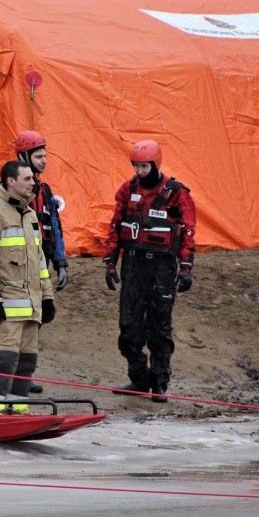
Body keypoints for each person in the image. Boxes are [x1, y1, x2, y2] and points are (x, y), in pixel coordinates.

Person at [103, 139, 196, 403]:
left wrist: (186, 268)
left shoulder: (176, 192)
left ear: (155, 164)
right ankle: (139, 379)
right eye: (136, 166)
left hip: (162, 267)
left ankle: (160, 383)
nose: (140, 171)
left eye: (144, 166)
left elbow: (188, 230)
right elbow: (116, 225)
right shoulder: (127, 189)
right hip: (133, 264)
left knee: (159, 327)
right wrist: (111, 261)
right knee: (129, 328)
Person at [0, 130, 67, 393]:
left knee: (31, 330)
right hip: (10, 276)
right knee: (6, 339)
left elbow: (54, 225)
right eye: (38, 156)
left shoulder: (44, 192)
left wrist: (61, 262)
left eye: (45, 156)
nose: (44, 161)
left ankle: (21, 383)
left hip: (35, 264)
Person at [0, 160, 56, 411]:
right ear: (10, 181)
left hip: (31, 308)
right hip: (5, 307)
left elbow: (39, 263)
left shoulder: (29, 216)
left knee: (26, 361)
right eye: (27, 179)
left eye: (33, 179)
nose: (33, 183)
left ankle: (17, 410)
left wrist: (47, 298)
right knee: (1, 359)